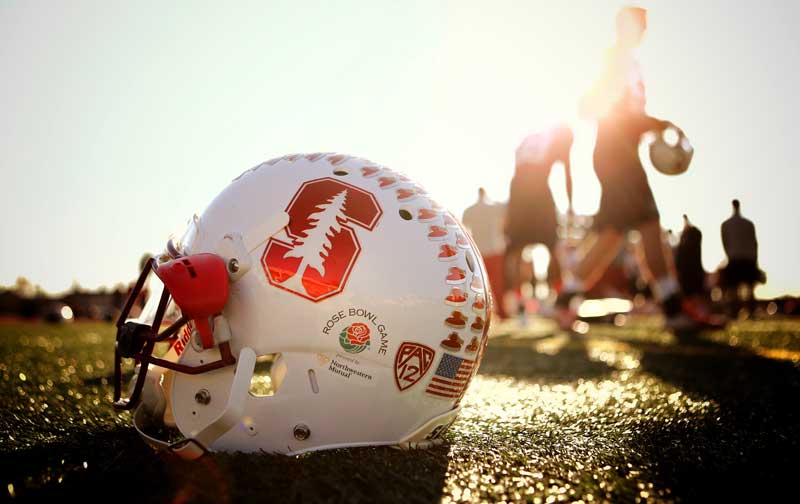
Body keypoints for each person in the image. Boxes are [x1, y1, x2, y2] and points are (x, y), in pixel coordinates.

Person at [556, 6, 719, 330]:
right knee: (650, 222)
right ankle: (673, 308)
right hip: (617, 156)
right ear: (623, 26)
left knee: (611, 236)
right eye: (638, 23)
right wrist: (658, 123)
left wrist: (648, 126)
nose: (643, 29)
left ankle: (564, 303)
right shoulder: (617, 60)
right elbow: (612, 110)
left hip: (618, 154)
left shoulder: (627, 63)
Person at [504, 125, 573, 318]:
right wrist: (571, 204)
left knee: (516, 252)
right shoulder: (561, 137)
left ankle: (518, 306)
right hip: (537, 191)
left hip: (518, 192)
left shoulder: (530, 138)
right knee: (552, 247)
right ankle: (559, 300)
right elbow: (568, 173)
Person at [462, 188, 507, 318]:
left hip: (479, 251)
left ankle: (480, 313)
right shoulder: (494, 208)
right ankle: (501, 313)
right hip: (494, 250)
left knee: (479, 285)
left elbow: (464, 229)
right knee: (498, 283)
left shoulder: (469, 210)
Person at [720, 199, 764, 316]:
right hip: (747, 259)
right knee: (748, 289)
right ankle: (750, 312)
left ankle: (735, 312)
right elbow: (754, 244)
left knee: (734, 289)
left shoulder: (726, 224)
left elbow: (725, 242)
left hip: (735, 259)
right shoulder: (748, 224)